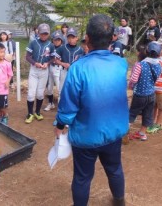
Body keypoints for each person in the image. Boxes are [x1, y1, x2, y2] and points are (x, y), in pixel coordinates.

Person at [54, 14, 129, 206]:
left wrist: (61, 124)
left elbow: (68, 104)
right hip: (114, 131)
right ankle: (119, 201)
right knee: (114, 168)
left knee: (82, 177)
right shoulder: (121, 64)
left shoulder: (78, 68)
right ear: (113, 37)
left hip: (86, 135)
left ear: (87, 38)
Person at [128, 42, 162, 141]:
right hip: (151, 94)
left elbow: (134, 79)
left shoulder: (140, 65)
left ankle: (124, 133)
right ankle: (142, 133)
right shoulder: (159, 66)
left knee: (132, 113)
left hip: (140, 94)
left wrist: (131, 86)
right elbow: (157, 79)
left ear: (146, 51)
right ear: (159, 55)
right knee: (147, 114)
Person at [24, 23, 55, 124]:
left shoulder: (51, 45)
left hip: (44, 71)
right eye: (42, 33)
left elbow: (53, 57)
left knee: (40, 93)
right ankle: (30, 113)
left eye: (46, 34)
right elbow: (27, 56)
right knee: (31, 93)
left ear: (48, 34)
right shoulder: (33, 42)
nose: (44, 35)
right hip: (34, 70)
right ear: (39, 32)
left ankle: (37, 112)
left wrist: (47, 63)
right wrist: (35, 63)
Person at [55, 27, 83, 99]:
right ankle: (60, 108)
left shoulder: (80, 50)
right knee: (62, 91)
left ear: (77, 38)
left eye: (73, 37)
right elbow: (56, 60)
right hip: (64, 71)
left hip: (75, 73)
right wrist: (63, 64)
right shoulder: (62, 48)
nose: (71, 39)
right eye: (69, 37)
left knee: (74, 91)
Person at [44, 31, 64, 111]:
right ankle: (50, 103)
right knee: (49, 88)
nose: (57, 41)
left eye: (59, 40)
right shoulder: (50, 47)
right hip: (51, 68)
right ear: (53, 40)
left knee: (59, 89)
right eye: (55, 40)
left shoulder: (63, 48)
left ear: (61, 40)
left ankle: (61, 107)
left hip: (58, 69)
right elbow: (47, 57)